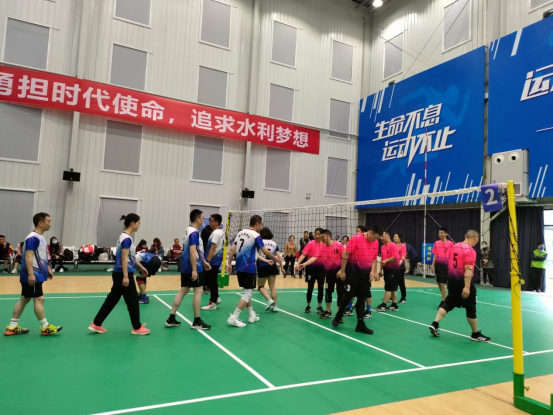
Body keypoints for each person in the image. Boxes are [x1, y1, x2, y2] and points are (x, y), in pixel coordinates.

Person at [89, 214, 149, 335]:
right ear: (132, 223)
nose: (139, 226)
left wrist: (141, 267)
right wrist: (126, 277)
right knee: (133, 301)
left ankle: (96, 323)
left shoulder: (124, 237)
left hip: (119, 273)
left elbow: (130, 257)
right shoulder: (126, 239)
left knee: (112, 300)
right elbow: (124, 259)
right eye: (138, 223)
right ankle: (137, 327)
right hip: (123, 274)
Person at [4, 213, 62, 336]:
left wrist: (47, 268)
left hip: (36, 274)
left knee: (24, 299)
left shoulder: (39, 237)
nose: (50, 224)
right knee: (39, 299)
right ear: (40, 223)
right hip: (33, 275)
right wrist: (31, 274)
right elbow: (28, 256)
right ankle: (45, 327)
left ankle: (12, 327)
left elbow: (39, 256)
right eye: (48, 221)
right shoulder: (33, 238)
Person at [429, 230, 491, 342]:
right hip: (463, 281)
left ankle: (435, 323)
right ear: (476, 239)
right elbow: (468, 269)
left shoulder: (455, 246)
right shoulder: (470, 250)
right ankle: (475, 334)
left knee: (448, 303)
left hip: (452, 280)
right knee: (471, 307)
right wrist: (467, 287)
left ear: (465, 235)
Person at [226, 215, 278, 328]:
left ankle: (251, 315)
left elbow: (232, 249)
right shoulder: (256, 235)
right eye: (261, 224)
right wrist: (275, 258)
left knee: (247, 291)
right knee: (248, 293)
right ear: (257, 223)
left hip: (239, 267)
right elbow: (265, 251)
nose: (261, 227)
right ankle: (233, 317)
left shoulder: (240, 233)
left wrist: (229, 264)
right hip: (249, 268)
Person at [165, 209, 212, 330]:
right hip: (193, 267)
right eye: (202, 218)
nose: (203, 220)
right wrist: (195, 270)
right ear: (197, 219)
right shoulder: (194, 233)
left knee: (183, 291)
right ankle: (197, 321)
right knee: (198, 291)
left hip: (186, 267)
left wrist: (204, 262)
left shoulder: (188, 230)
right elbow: (192, 251)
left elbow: (196, 251)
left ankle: (171, 318)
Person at [331, 225, 383, 334]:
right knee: (348, 296)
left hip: (365, 276)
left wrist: (373, 271)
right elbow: (345, 254)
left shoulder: (375, 242)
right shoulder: (356, 238)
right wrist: (343, 271)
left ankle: (360, 324)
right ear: (370, 232)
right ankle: (338, 316)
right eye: (375, 237)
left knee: (361, 299)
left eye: (377, 238)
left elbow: (374, 259)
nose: (375, 240)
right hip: (352, 273)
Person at [301, 229, 344, 320]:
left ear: (329, 236)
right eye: (321, 237)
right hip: (329, 273)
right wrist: (304, 264)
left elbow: (345, 258)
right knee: (328, 292)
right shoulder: (323, 247)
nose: (321, 239)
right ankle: (328, 311)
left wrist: (342, 270)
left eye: (323, 237)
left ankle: (339, 314)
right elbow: (315, 257)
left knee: (340, 293)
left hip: (339, 273)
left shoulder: (339, 245)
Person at [296, 228, 325, 314]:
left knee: (320, 288)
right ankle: (308, 305)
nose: (317, 236)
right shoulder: (310, 243)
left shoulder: (325, 244)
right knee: (310, 288)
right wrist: (298, 263)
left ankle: (319, 306)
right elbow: (304, 254)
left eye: (319, 234)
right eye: (316, 234)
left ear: (322, 235)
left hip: (322, 270)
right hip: (311, 269)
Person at [343, 225, 368, 317]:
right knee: (351, 291)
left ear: (363, 232)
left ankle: (368, 310)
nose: (356, 232)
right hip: (353, 272)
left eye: (358, 231)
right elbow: (346, 254)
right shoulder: (354, 240)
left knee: (366, 293)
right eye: (356, 230)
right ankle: (349, 308)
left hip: (364, 273)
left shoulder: (368, 244)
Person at [201, 214, 225, 311]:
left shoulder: (216, 234)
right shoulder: (221, 232)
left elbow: (212, 248)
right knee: (211, 280)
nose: (209, 222)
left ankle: (213, 303)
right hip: (216, 260)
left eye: (211, 221)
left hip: (212, 261)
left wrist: (207, 261)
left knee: (210, 281)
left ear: (217, 222)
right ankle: (216, 297)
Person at [257, 227, 283, 312]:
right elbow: (279, 257)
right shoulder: (274, 243)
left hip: (263, 265)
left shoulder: (260, 242)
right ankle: (275, 306)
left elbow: (258, 255)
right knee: (272, 287)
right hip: (273, 266)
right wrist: (282, 268)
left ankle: (269, 300)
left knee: (260, 286)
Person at [376, 232, 400, 312]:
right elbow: (382, 259)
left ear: (388, 236)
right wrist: (380, 270)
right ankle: (394, 305)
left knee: (388, 288)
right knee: (393, 289)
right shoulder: (382, 247)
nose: (381, 238)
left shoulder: (393, 245)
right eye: (381, 237)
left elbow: (395, 257)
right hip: (386, 269)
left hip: (394, 269)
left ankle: (384, 305)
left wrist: (386, 261)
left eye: (383, 236)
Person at [431, 227, 454, 309]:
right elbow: (435, 255)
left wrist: (451, 267)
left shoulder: (450, 244)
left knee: (443, 284)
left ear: (446, 234)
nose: (440, 234)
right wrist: (432, 265)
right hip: (438, 265)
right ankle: (445, 298)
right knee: (439, 283)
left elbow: (452, 256)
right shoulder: (436, 243)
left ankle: (443, 301)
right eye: (439, 232)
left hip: (446, 266)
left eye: (441, 233)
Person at [201, 220, 214, 295]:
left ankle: (208, 285)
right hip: (206, 253)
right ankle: (204, 286)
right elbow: (206, 243)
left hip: (211, 254)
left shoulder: (214, 231)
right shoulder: (205, 231)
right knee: (205, 271)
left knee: (210, 271)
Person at [395, 234, 407, 304]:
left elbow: (403, 256)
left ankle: (403, 298)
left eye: (396, 237)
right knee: (394, 281)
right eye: (394, 237)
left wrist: (399, 263)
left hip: (401, 266)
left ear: (400, 238)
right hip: (394, 266)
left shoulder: (402, 246)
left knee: (401, 282)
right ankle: (392, 297)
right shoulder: (393, 245)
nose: (394, 238)